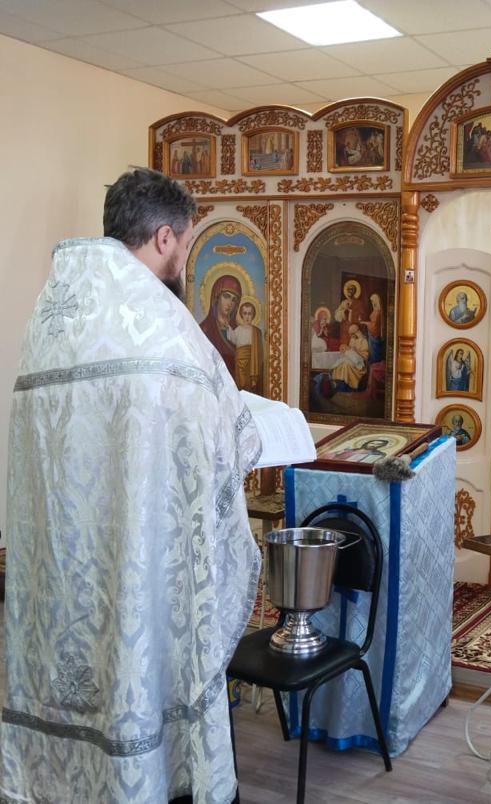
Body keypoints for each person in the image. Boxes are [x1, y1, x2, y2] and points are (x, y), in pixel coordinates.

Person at [2, 168, 256, 803]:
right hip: (139, 559)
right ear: (165, 238)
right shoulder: (163, 326)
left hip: (61, 564)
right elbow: (223, 435)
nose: (183, 258)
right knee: (138, 669)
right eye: (186, 243)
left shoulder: (51, 317)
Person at [199, 273, 241, 375]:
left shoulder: (238, 331)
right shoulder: (204, 330)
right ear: (216, 297)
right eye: (226, 296)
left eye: (234, 300)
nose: (230, 303)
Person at [227, 299, 265, 393]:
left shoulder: (256, 332)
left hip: (252, 362)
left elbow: (259, 353)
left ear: (253, 315)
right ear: (241, 315)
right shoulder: (238, 329)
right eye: (245, 313)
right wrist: (227, 326)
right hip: (239, 361)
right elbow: (232, 338)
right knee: (241, 385)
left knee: (250, 388)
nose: (247, 316)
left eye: (249, 313)